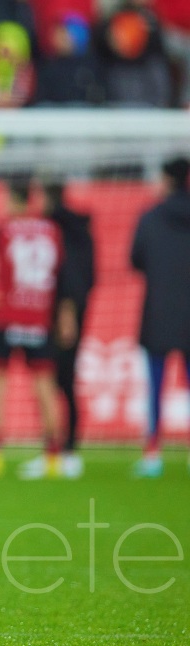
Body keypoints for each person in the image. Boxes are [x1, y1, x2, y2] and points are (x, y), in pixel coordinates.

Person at [0, 180, 67, 480]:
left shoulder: (1, 228)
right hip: (40, 317)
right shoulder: (52, 230)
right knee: (44, 386)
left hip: (8, 316)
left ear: (14, 200)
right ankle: (53, 457)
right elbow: (62, 275)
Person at [131, 157, 190, 478]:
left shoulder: (151, 217)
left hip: (159, 313)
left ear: (167, 179)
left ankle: (153, 453)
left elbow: (135, 259)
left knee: (155, 386)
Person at [42, 179, 95, 479]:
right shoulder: (81, 230)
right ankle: (60, 449)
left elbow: (70, 274)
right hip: (70, 311)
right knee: (59, 380)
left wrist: (66, 311)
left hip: (60, 313)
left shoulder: (59, 228)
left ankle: (67, 450)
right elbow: (90, 276)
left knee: (57, 379)